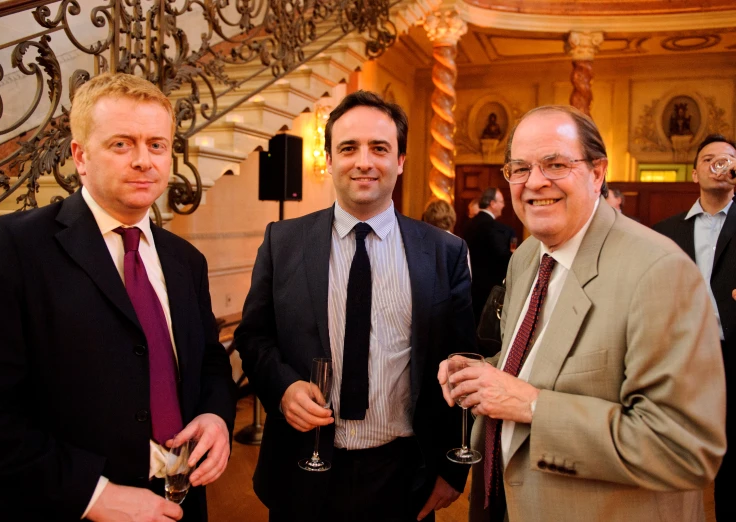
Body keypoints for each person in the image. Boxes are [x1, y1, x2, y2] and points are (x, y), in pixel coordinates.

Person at [0, 73, 237, 522]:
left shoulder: (186, 260)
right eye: (121, 144)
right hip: (70, 507)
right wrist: (92, 494)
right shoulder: (15, 247)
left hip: (181, 500)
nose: (144, 161)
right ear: (80, 157)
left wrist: (217, 416)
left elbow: (209, 360)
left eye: (157, 145)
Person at [438, 105, 726, 522]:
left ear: (597, 172)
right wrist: (481, 370)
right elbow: (537, 362)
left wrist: (534, 406)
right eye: (519, 168)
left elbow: (683, 450)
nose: (535, 182)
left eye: (555, 164)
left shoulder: (660, 271)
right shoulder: (529, 256)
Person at [235, 90, 475, 522]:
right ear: (329, 159)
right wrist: (283, 388)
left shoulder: (444, 253)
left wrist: (452, 469)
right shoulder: (282, 242)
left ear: (400, 160)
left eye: (379, 148)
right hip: (302, 468)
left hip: (404, 474)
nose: (364, 161)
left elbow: (463, 365)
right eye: (348, 148)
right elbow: (253, 337)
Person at [653, 133, 736, 521]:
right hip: (682, 358)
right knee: (680, 457)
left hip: (730, 352)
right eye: (710, 159)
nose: (719, 165)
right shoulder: (666, 231)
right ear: (695, 172)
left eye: (728, 160)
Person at [463, 187, 515, 342]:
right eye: (501, 202)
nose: (503, 206)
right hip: (491, 292)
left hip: (470, 288)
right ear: (492, 203)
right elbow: (502, 258)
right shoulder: (497, 229)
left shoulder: (468, 225)